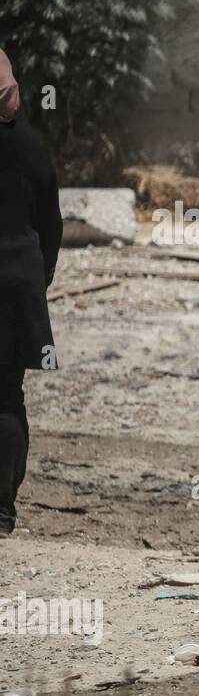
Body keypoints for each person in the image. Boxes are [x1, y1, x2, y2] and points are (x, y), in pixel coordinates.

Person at [0, 47, 63, 535]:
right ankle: (2, 511)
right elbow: (51, 224)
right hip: (19, 287)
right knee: (7, 397)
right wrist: (38, 279)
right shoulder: (33, 147)